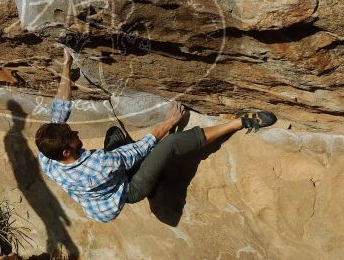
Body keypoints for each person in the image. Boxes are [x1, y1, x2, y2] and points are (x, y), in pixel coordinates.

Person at [35, 47, 277, 222]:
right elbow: (142, 147)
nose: (76, 131)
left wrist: (66, 64)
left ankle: (150, 168)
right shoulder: (100, 164)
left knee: (114, 134)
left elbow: (60, 108)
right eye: (72, 136)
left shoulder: (48, 157)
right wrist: (170, 121)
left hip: (103, 186)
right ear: (66, 151)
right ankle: (239, 122)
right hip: (127, 191)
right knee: (169, 143)